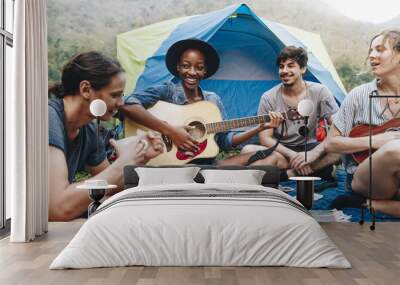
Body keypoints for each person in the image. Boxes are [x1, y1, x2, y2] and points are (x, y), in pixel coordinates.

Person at [120, 39, 282, 164]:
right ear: (178, 67)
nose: (192, 72)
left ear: (205, 70)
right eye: (186, 66)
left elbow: (225, 141)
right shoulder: (167, 91)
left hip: (205, 164)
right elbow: (127, 105)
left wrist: (259, 128)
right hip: (167, 163)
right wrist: (171, 131)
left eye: (199, 67)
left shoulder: (213, 101)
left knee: (262, 157)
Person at [49, 51, 163, 221]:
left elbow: (110, 186)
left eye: (122, 96)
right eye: (115, 95)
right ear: (86, 89)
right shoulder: (48, 117)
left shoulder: (88, 130)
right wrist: (123, 162)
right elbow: (59, 208)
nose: (121, 103)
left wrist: (140, 156)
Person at [222, 46, 340, 179]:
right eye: (281, 66)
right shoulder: (268, 97)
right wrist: (293, 155)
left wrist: (314, 153)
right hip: (281, 150)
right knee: (247, 150)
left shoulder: (320, 91)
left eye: (290, 66)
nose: (284, 71)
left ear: (302, 69)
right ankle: (308, 169)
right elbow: (265, 138)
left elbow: (338, 127)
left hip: (310, 148)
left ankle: (292, 172)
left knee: (338, 150)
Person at [325, 30, 400, 216]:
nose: (371, 55)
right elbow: (330, 143)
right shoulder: (359, 94)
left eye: (380, 50)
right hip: (364, 177)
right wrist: (378, 141)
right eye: (371, 50)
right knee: (395, 149)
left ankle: (376, 205)